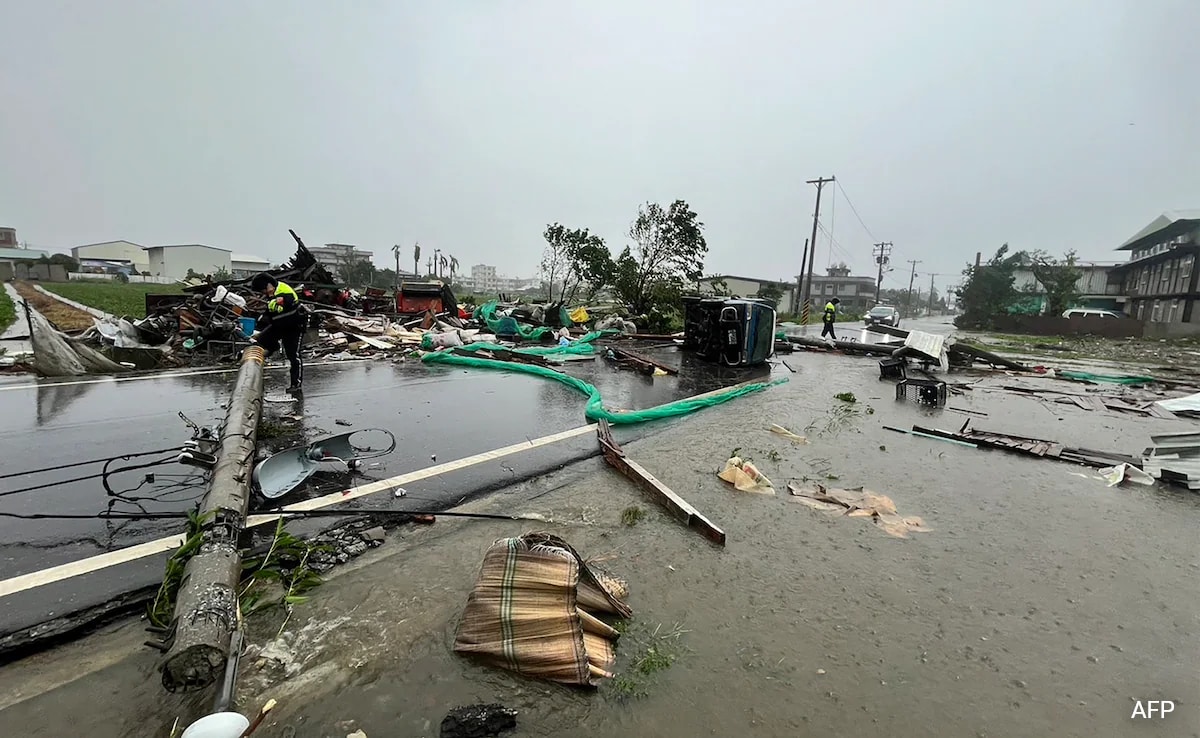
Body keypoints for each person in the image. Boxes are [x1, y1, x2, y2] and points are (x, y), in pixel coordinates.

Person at [250, 272, 305, 392]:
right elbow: (271, 312)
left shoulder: (283, 291)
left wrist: (277, 298)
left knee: (293, 356)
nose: (263, 293)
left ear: (269, 286)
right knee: (261, 339)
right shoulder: (272, 295)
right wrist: (259, 324)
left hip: (293, 327)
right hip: (279, 325)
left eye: (263, 290)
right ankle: (274, 347)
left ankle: (296, 384)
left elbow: (288, 300)